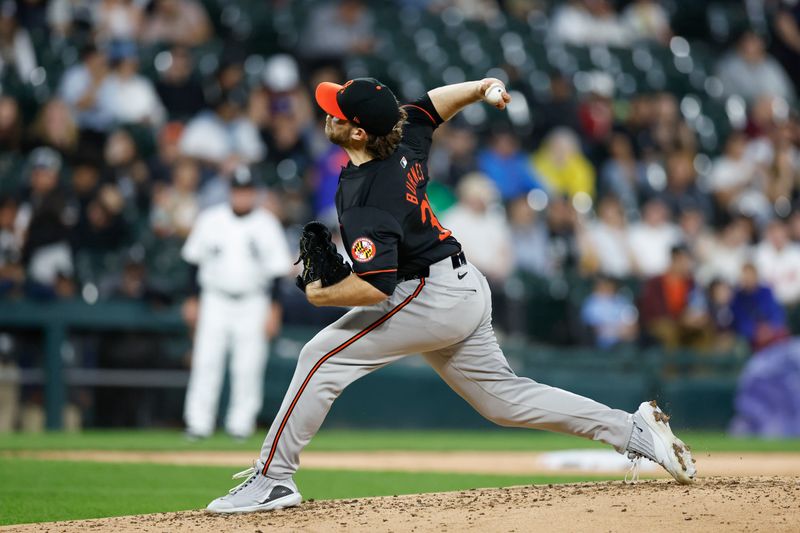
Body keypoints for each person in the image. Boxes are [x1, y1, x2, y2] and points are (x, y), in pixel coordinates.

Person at [205, 76, 696, 514]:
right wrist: (481, 86)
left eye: (336, 110)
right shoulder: (401, 137)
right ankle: (633, 432)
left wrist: (321, 295)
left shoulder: (366, 192)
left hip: (427, 293)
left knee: (320, 356)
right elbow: (432, 106)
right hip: (461, 284)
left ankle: (271, 479)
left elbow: (376, 285)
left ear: (357, 133)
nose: (326, 111)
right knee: (503, 400)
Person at [181, 167, 292, 440]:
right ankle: (198, 423)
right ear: (231, 191)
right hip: (214, 299)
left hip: (254, 302)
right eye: (238, 190)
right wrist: (192, 300)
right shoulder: (211, 219)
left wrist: (274, 311)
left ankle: (240, 424)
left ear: (254, 192)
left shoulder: (266, 223)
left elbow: (278, 274)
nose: (242, 195)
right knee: (206, 361)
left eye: (247, 190)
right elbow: (192, 264)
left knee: (248, 366)